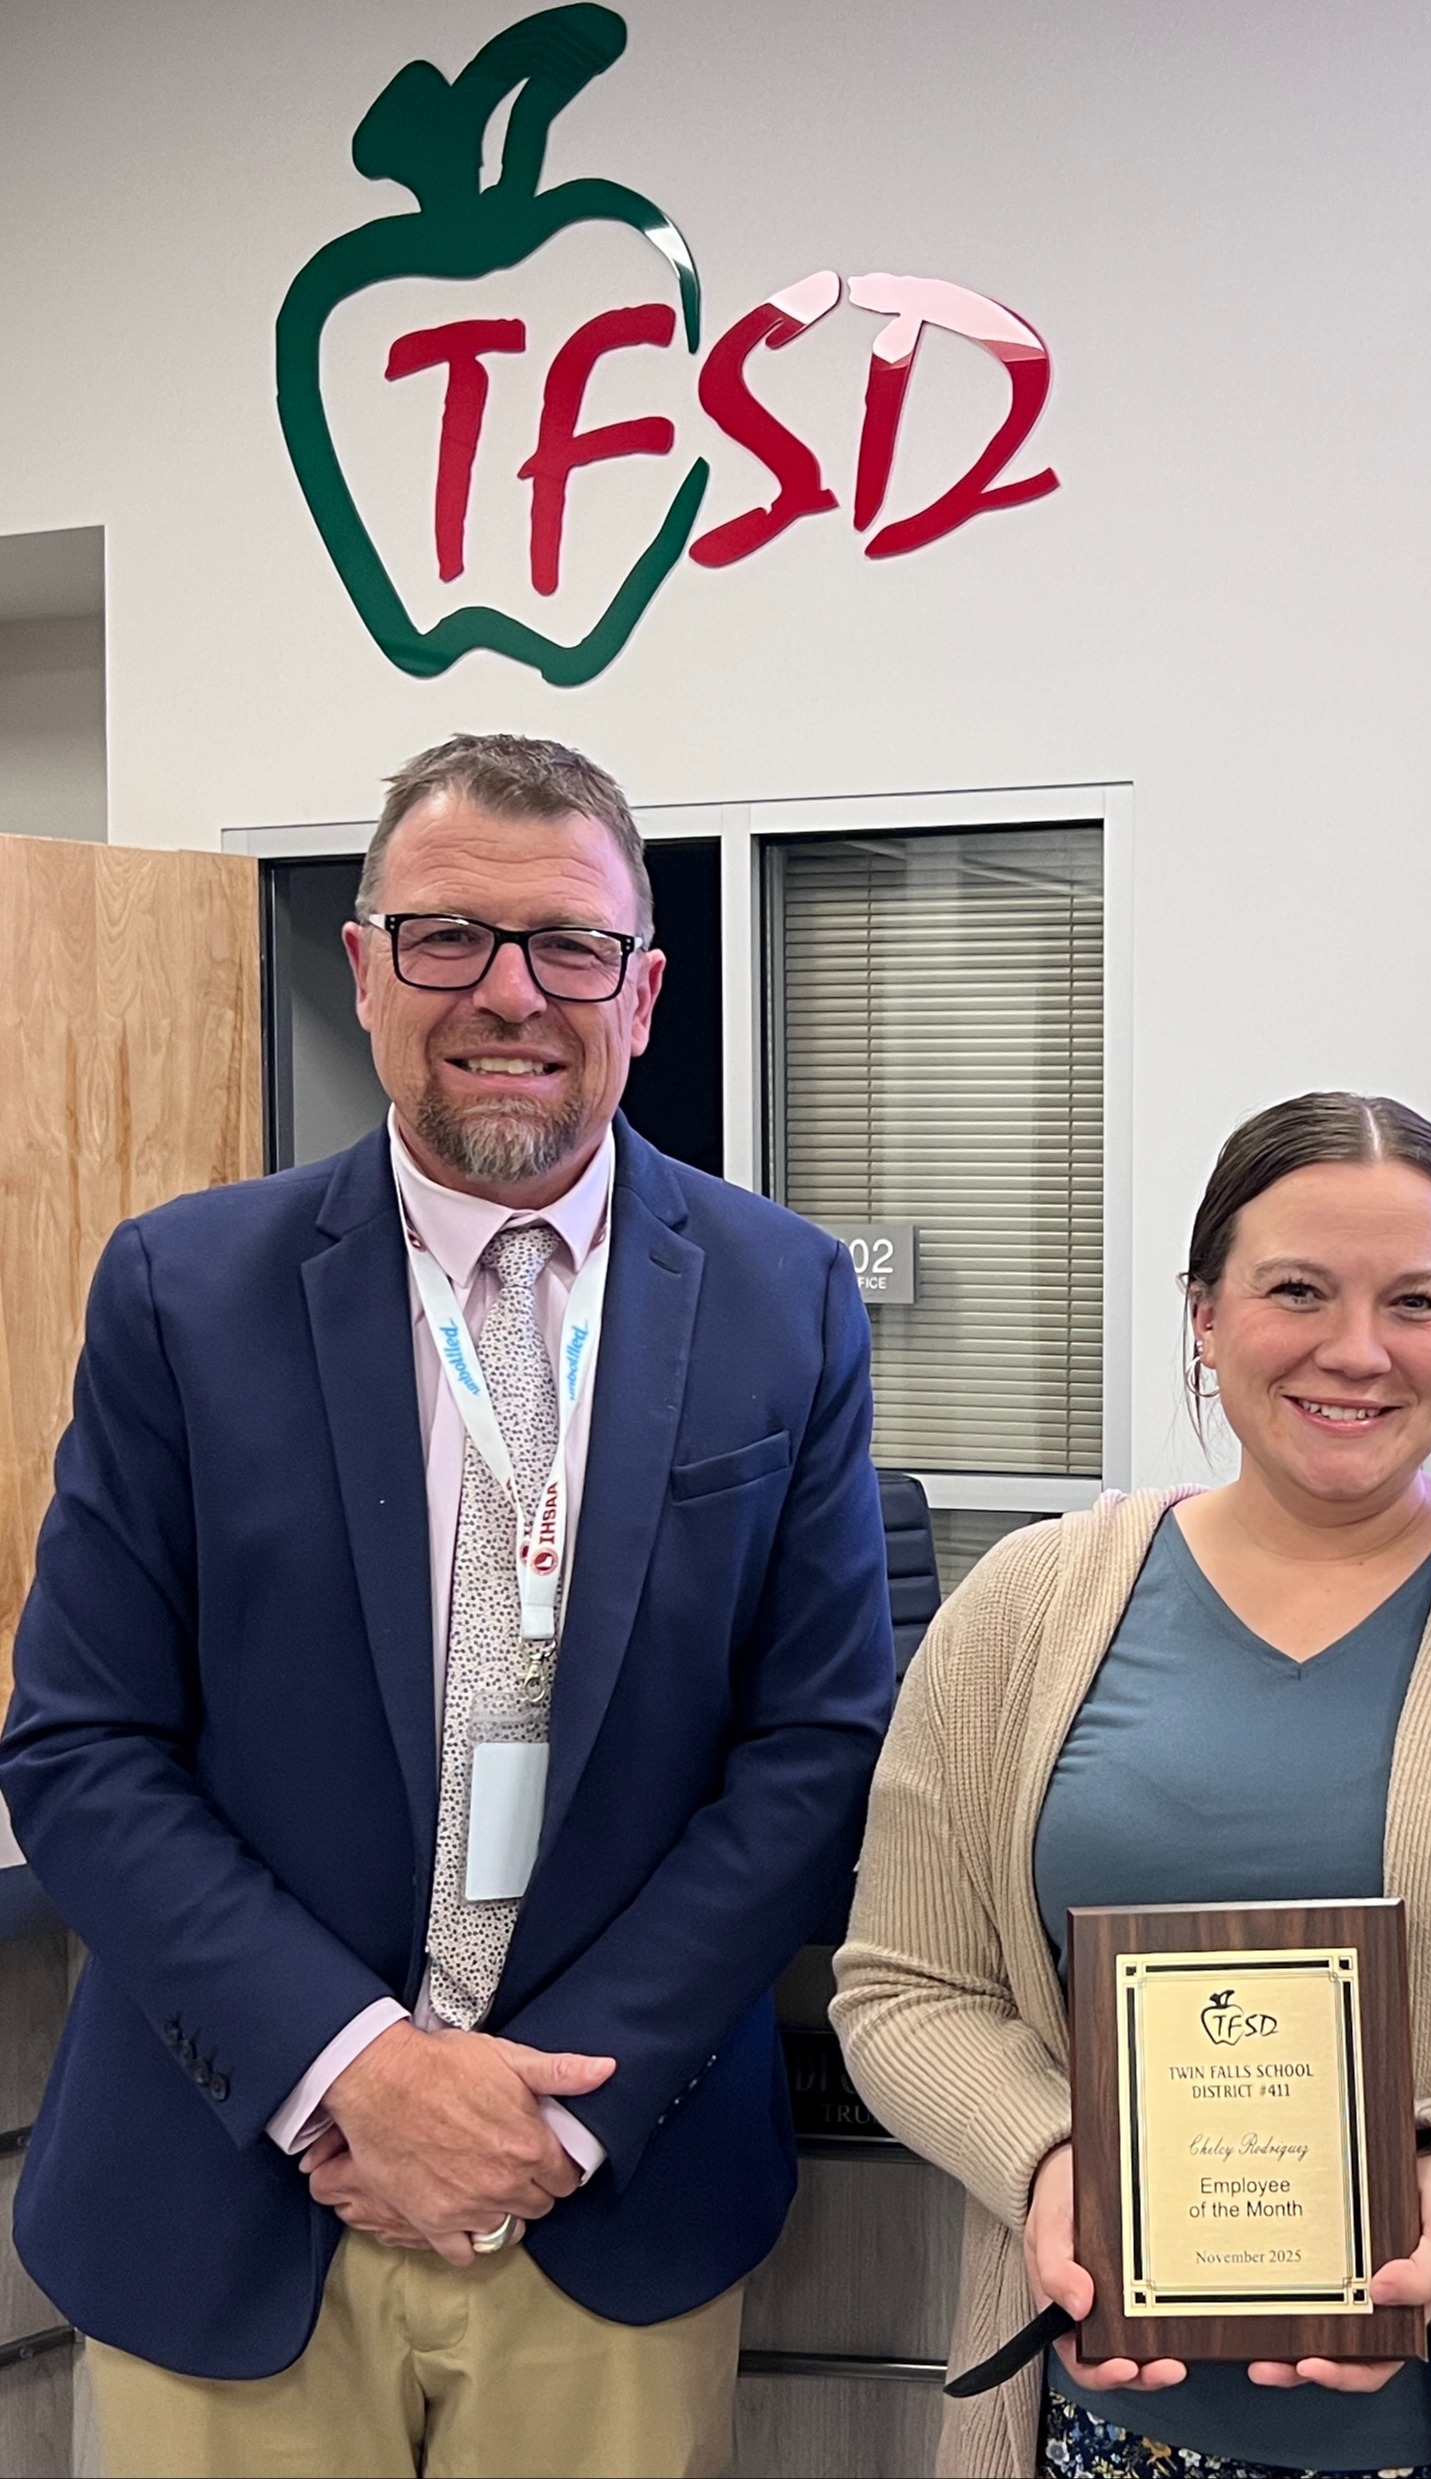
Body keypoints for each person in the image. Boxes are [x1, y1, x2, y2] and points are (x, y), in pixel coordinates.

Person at [0, 734, 894, 2478]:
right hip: (230, 2181)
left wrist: (553, 2120)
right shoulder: (184, 1294)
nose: (511, 992)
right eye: (447, 937)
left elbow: (814, 1749)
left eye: (567, 945)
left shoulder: (788, 1300)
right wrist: (355, 2071)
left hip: (604, 2198)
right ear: (362, 968)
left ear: (643, 990)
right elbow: (84, 1745)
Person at [832, 1090, 1431, 2479]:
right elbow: (901, 1989)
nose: (1357, 1352)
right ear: (1204, 1313)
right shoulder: (1026, 1612)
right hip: (1107, 2440)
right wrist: (1057, 2161)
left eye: (1415, 1302)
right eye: (1297, 1290)